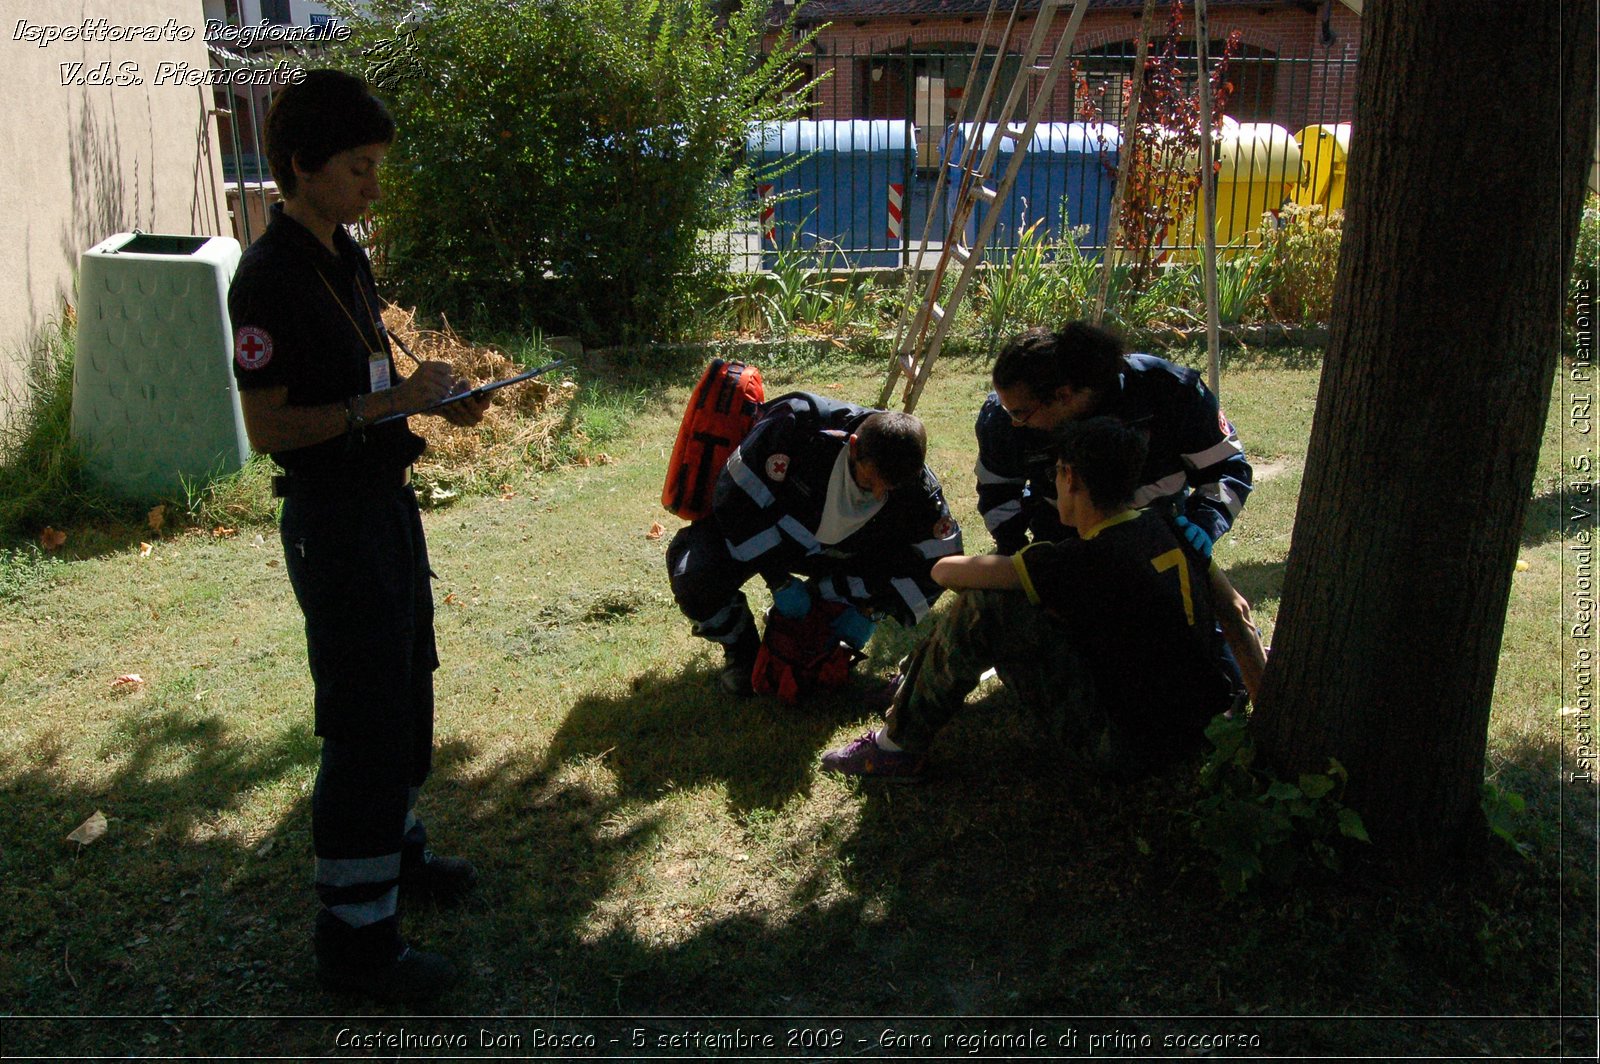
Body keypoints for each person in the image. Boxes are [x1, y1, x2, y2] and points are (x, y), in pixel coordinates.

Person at [229, 70, 489, 1002]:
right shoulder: (266, 281)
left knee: (406, 679)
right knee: (364, 716)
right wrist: (388, 402)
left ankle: (397, 853)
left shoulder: (343, 250)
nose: (374, 186)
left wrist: (436, 397)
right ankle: (355, 936)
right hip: (333, 522)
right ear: (301, 167)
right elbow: (270, 429)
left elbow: (376, 364)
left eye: (378, 166)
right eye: (359, 168)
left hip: (385, 504)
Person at [821, 417, 1236, 780]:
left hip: (1129, 749)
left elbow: (943, 571)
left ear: (1069, 478)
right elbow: (1238, 611)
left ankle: (896, 747)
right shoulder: (1173, 527)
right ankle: (913, 682)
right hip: (1199, 727)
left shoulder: (1075, 559)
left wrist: (1012, 573)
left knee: (988, 605)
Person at [667, 393, 963, 694]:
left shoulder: (918, 488)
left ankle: (822, 619)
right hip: (766, 533)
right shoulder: (795, 427)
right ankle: (742, 652)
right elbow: (733, 499)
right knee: (693, 576)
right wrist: (778, 580)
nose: (877, 495)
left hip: (834, 557)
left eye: (889, 489)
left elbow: (942, 562)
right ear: (854, 447)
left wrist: (871, 609)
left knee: (813, 650)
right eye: (870, 481)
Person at [975, 322, 1252, 556]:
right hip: (1064, 547)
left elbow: (1228, 469)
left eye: (1021, 413)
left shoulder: (1169, 392)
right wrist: (1022, 555)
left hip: (1158, 540)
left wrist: (1204, 524)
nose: (1013, 421)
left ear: (1063, 396)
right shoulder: (1003, 422)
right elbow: (997, 495)